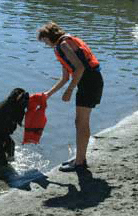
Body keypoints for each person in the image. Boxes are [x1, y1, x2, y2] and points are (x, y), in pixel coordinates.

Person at [37, 21, 104, 172]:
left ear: (49, 36)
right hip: (88, 81)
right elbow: (65, 77)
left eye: (45, 41)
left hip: (89, 82)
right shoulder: (61, 46)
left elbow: (80, 68)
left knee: (81, 122)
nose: (45, 44)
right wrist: (48, 94)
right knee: (80, 121)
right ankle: (80, 158)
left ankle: (79, 162)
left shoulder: (63, 45)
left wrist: (70, 90)